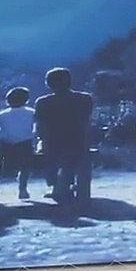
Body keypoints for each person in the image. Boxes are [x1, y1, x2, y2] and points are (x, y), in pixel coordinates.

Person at [34, 68, 94, 204]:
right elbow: (86, 121)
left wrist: (41, 141)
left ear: (48, 84)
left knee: (51, 154)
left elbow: (40, 126)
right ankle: (71, 186)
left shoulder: (43, 102)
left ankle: (58, 186)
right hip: (79, 140)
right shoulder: (85, 98)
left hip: (53, 142)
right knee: (75, 155)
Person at [0, 86, 36, 201]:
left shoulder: (0, 115)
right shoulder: (32, 113)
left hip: (6, 146)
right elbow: (35, 130)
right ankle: (23, 187)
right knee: (25, 167)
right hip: (25, 145)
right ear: (26, 100)